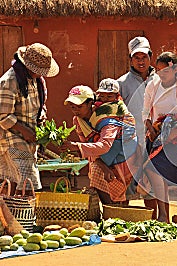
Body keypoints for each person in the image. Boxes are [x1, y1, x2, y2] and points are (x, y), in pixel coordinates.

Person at [142, 51, 177, 222]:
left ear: (174, 70)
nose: (161, 74)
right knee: (154, 174)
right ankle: (159, 215)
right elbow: (145, 112)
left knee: (159, 174)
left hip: (175, 140)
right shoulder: (152, 85)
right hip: (155, 137)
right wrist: (150, 128)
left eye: (165, 71)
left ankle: (163, 215)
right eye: (158, 70)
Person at [60, 85, 140, 204]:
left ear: (90, 103)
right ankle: (110, 212)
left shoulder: (107, 119)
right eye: (72, 107)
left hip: (122, 156)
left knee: (123, 195)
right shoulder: (78, 121)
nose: (76, 110)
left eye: (80, 106)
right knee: (97, 173)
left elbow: (105, 145)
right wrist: (102, 165)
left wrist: (76, 146)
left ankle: (115, 212)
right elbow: (86, 143)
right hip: (101, 157)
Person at [0, 43, 59, 195]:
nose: (40, 74)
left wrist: (42, 117)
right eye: (37, 71)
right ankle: (25, 214)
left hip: (29, 138)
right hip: (10, 138)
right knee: (28, 178)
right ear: (26, 66)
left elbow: (41, 104)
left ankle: (12, 214)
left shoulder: (37, 81)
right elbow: (3, 115)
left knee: (15, 179)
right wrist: (24, 130)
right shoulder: (9, 81)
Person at [117, 36, 158, 215]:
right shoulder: (122, 83)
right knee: (126, 182)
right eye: (136, 58)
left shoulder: (160, 81)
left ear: (150, 56)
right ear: (130, 59)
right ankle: (125, 220)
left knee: (153, 181)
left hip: (155, 140)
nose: (140, 61)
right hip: (130, 141)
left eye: (144, 57)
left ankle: (155, 219)